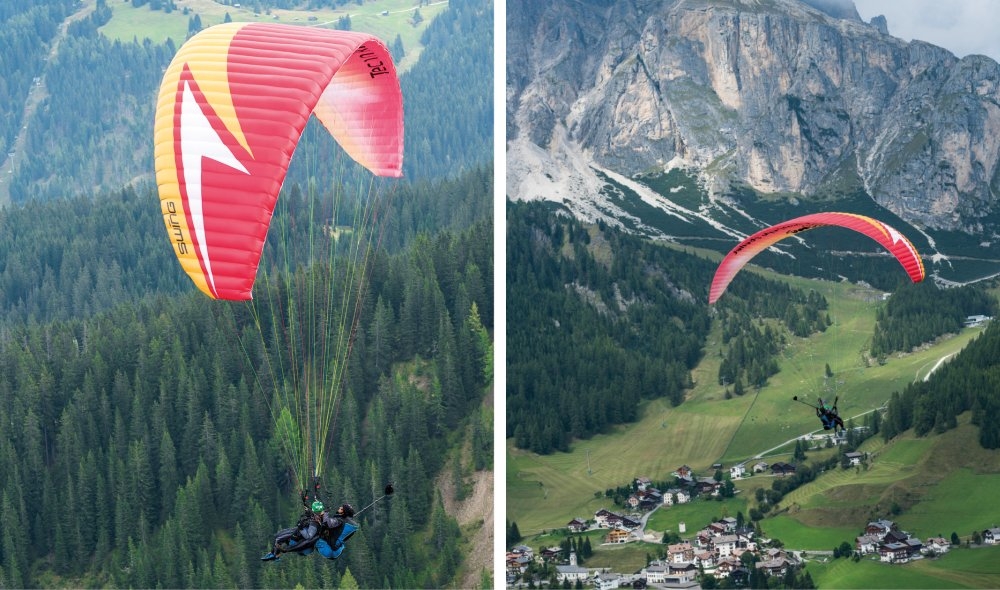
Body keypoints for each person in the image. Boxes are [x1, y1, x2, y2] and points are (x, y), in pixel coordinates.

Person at [261, 501, 358, 561]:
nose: (339, 508)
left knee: (314, 538)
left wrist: (325, 514)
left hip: (329, 550)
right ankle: (276, 553)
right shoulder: (344, 520)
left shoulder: (339, 520)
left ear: (343, 512)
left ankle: (287, 549)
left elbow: (328, 523)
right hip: (335, 550)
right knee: (308, 534)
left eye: (341, 508)